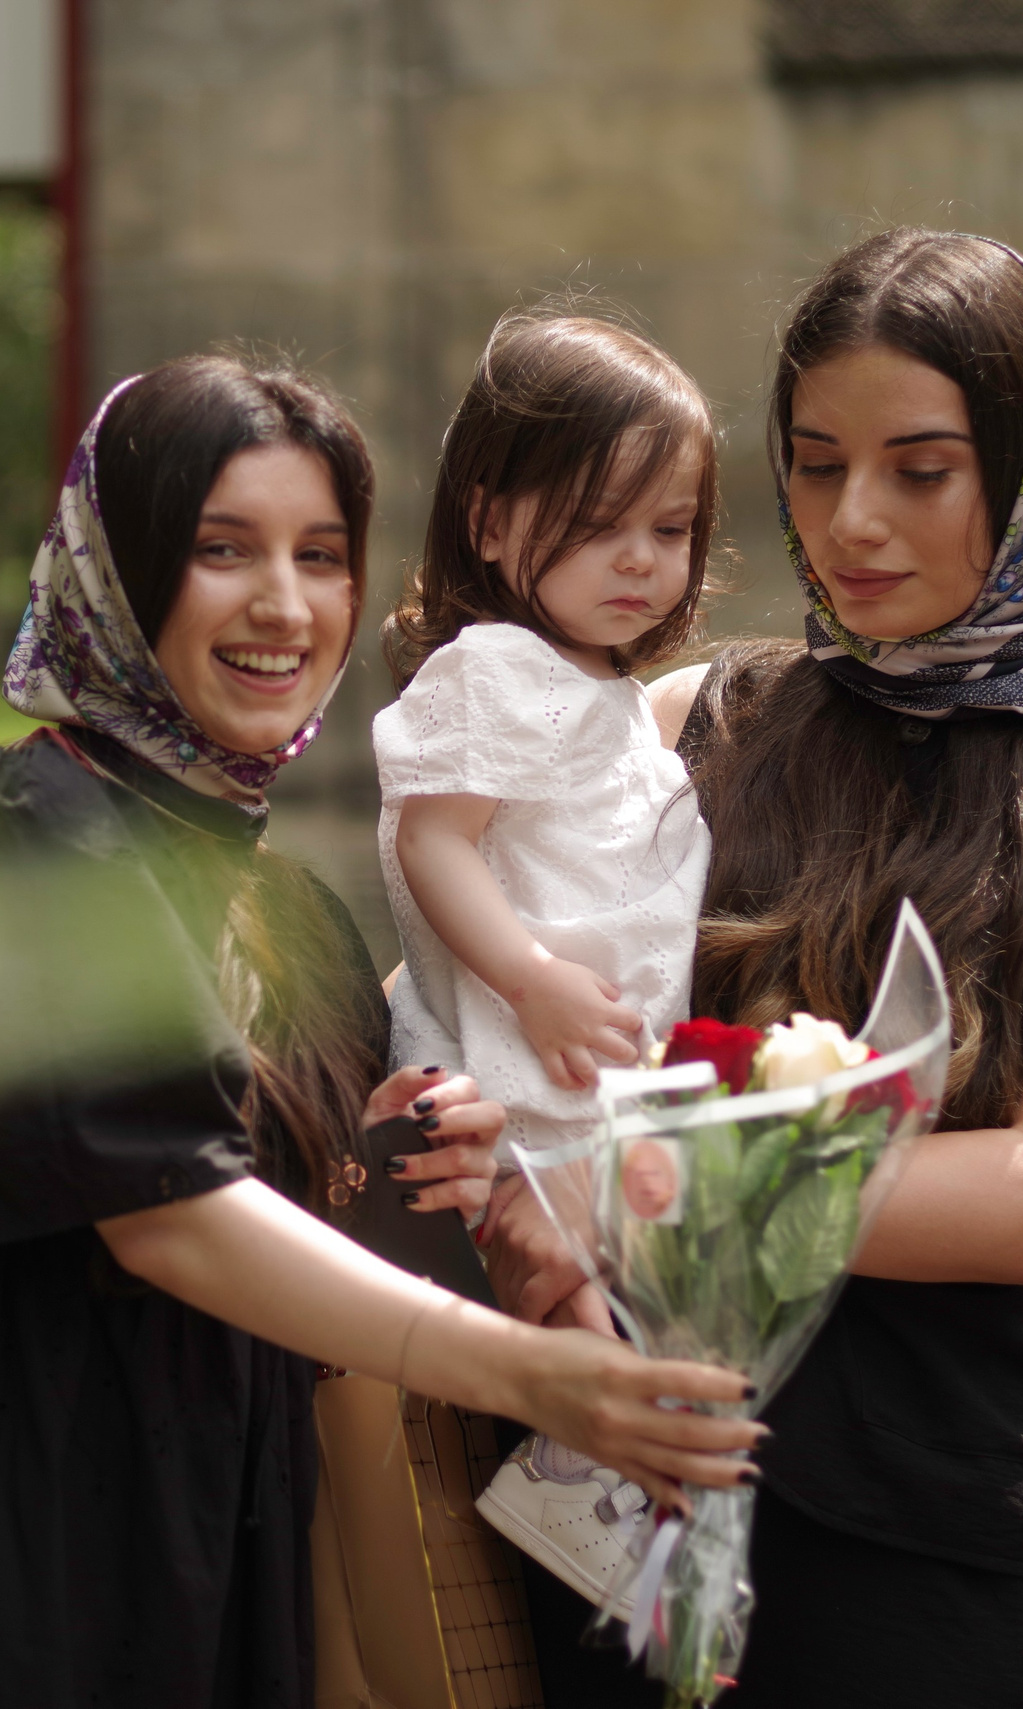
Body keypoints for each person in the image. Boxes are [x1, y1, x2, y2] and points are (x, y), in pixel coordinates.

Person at [0, 354, 766, 1709]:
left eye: (322, 554)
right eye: (223, 549)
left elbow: (305, 1199)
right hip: (7, 1517)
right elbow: (168, 1211)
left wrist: (425, 1159)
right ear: (122, 565)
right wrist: (519, 1365)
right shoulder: (24, 836)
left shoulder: (288, 909)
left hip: (230, 1525)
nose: (284, 602)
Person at [479, 230, 1023, 1708]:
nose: (851, 518)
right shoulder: (686, 721)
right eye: (812, 462)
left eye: (919, 469)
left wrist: (633, 1172)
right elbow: (512, 1020)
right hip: (602, 1468)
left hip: (907, 1527)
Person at [372, 312, 722, 1644]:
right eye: (599, 523)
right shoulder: (498, 669)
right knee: (579, 1308)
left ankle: (640, 1551)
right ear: (494, 520)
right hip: (538, 1072)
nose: (642, 561)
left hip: (603, 1075)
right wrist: (524, 973)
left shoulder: (599, 687)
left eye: (672, 526)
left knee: (629, 1320)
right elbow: (433, 840)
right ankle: (617, 1544)